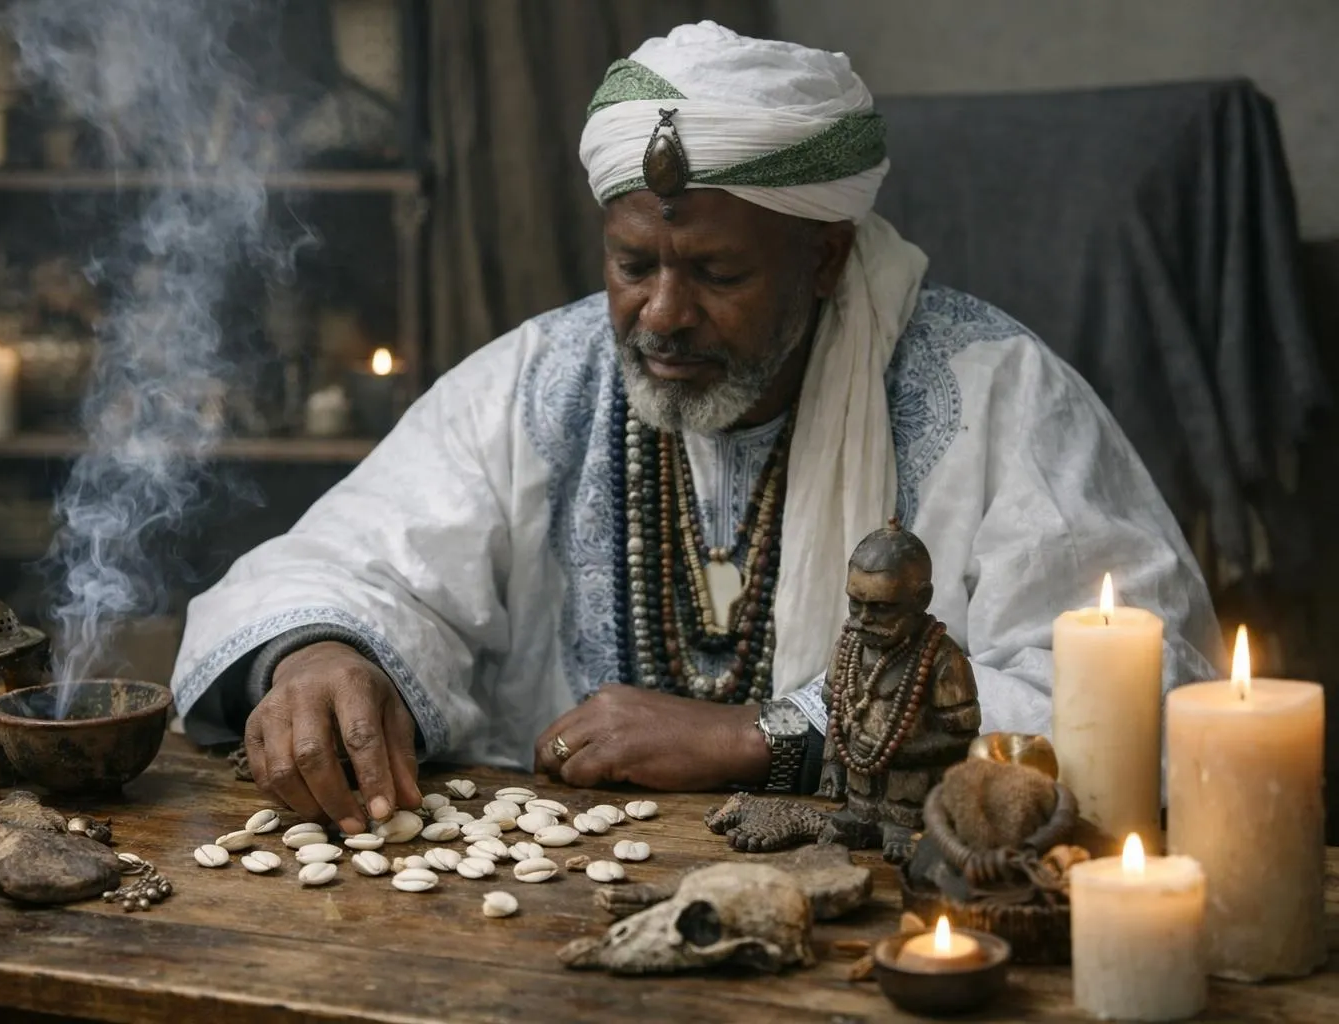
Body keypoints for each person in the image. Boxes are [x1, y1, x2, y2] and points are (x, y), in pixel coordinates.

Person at [170, 22, 1221, 837]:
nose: (663, 314)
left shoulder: (993, 391)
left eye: (717, 272)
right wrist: (318, 652)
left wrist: (764, 738)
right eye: (634, 265)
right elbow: (351, 559)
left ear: (825, 258)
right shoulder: (542, 379)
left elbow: (1138, 688)